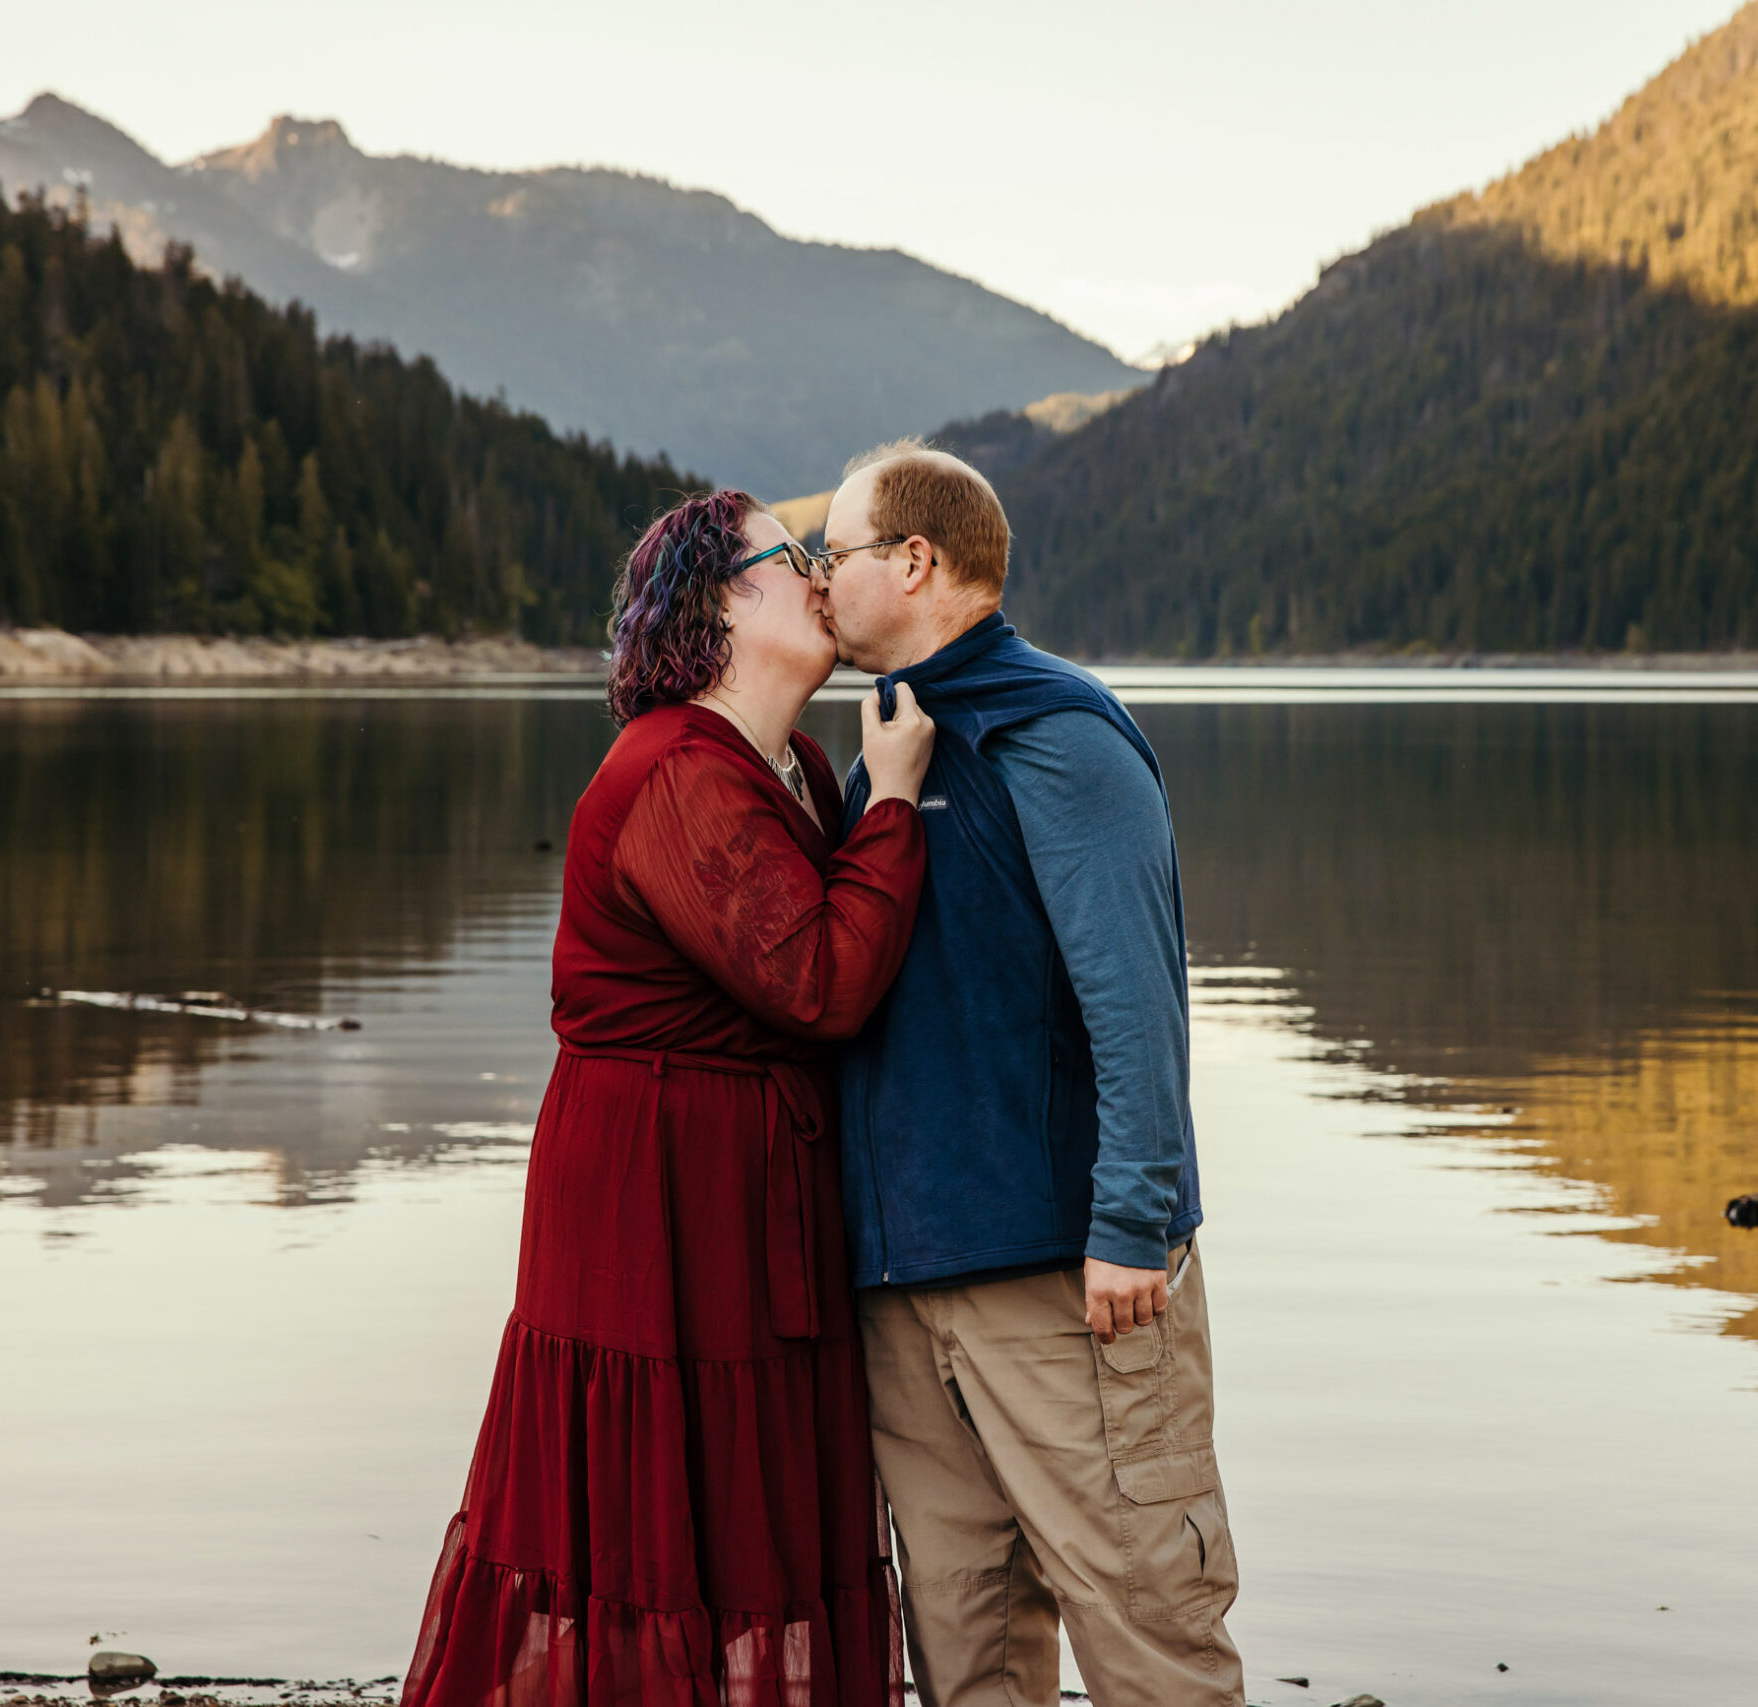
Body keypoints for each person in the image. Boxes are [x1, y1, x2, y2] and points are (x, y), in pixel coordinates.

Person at [400, 489, 937, 1707]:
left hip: (745, 1181)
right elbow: (821, 981)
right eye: (788, 557)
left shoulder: (790, 761)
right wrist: (895, 797)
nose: (816, 573)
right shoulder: (675, 771)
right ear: (716, 600)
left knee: (744, 1502)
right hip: (654, 1188)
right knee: (648, 1512)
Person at [814, 443, 1243, 1707]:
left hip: (1069, 1286)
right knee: (968, 1648)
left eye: (831, 555)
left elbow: (1138, 1003)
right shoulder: (885, 752)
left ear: (914, 560)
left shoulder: (1056, 735)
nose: (815, 582)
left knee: (1148, 1620)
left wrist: (1130, 1223)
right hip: (907, 1293)